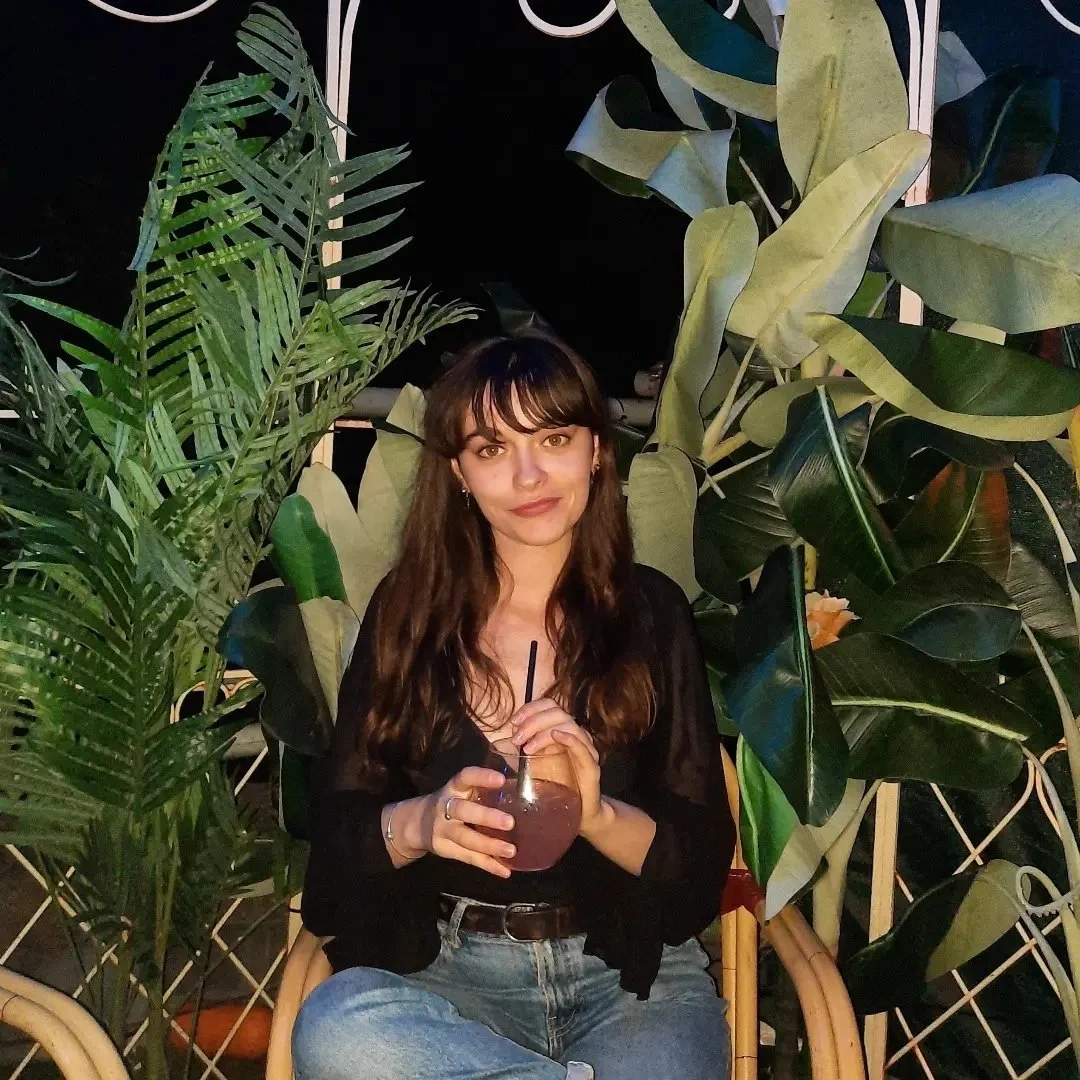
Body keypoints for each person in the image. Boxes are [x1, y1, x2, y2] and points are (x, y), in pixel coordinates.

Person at [293, 334, 736, 1080]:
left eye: (554, 438)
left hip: (631, 988)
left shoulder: (652, 614)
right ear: (459, 473)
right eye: (492, 449)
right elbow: (335, 856)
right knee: (338, 1032)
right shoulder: (407, 615)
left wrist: (597, 816)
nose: (529, 474)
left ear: (596, 449)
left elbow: (696, 874)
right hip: (446, 984)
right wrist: (423, 822)